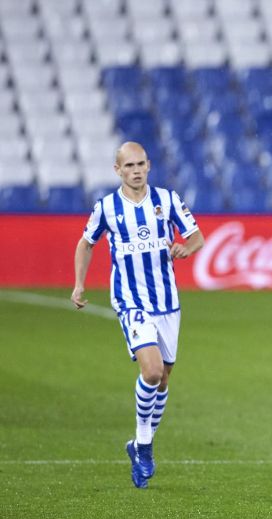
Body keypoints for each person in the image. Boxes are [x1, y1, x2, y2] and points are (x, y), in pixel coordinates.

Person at [71, 141, 204, 489]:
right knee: (152, 369)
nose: (136, 170)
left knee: (163, 379)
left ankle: (138, 444)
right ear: (117, 170)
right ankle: (144, 444)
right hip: (130, 301)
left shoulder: (168, 200)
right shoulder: (107, 208)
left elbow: (197, 237)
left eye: (141, 164)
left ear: (149, 165)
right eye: (129, 165)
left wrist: (185, 248)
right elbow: (86, 243)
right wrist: (79, 284)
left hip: (167, 302)